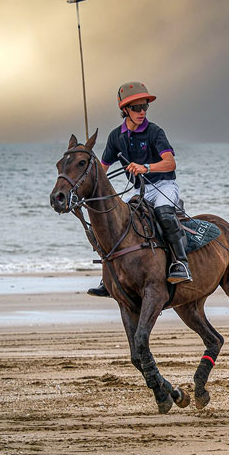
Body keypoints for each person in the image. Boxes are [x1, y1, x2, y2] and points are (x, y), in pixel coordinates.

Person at [88, 81, 192, 297]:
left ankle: (181, 264)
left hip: (164, 185)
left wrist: (146, 167)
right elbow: (102, 169)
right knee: (116, 222)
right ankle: (108, 276)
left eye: (145, 106)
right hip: (140, 190)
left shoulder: (154, 132)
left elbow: (170, 163)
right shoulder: (116, 137)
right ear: (124, 109)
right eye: (136, 108)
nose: (142, 111)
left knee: (164, 213)